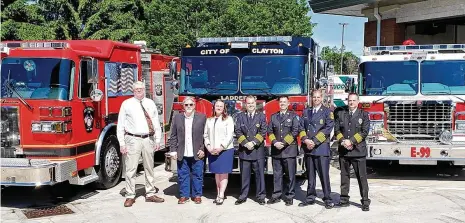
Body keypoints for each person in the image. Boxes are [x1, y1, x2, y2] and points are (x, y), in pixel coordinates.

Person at [116, 81, 164, 207]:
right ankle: (130, 195)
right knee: (131, 169)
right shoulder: (126, 104)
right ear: (133, 90)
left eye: (141, 89)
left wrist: (158, 140)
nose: (139, 91)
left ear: (144, 90)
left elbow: (155, 122)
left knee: (149, 167)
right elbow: (120, 124)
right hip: (132, 139)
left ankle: (150, 193)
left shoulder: (150, 103)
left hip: (148, 139)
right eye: (136, 89)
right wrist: (122, 143)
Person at [298, 89, 335, 209]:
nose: (316, 99)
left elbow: (328, 128)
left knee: (324, 175)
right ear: (311, 98)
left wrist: (314, 141)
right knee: (310, 176)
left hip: (321, 148)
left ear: (322, 98)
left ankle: (328, 199)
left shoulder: (327, 112)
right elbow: (301, 127)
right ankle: (310, 197)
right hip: (309, 148)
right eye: (314, 97)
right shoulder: (306, 111)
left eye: (318, 97)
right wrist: (305, 140)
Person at [334, 93, 371, 211]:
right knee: (344, 176)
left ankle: (365, 201)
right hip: (344, 151)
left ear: (358, 101)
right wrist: (342, 141)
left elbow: (364, 132)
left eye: (354, 100)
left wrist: (352, 141)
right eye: (350, 100)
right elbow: (336, 130)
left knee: (361, 177)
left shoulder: (364, 115)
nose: (351, 103)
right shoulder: (340, 114)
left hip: (358, 151)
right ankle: (344, 199)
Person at [169, 97, 207, 204]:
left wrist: (203, 149)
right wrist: (173, 150)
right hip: (182, 151)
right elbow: (173, 136)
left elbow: (206, 136)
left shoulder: (202, 117)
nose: (189, 107)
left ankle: (197, 195)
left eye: (191, 105)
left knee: (198, 175)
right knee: (182, 175)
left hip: (197, 152)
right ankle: (184, 195)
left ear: (194, 105)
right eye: (186, 105)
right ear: (183, 106)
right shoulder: (177, 118)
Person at [234, 96, 267, 205]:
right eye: (248, 103)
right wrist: (245, 143)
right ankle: (243, 196)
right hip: (245, 150)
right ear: (245, 104)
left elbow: (263, 132)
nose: (251, 105)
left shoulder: (261, 116)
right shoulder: (240, 116)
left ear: (255, 104)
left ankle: (261, 196)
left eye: (252, 103)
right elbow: (237, 131)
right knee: (244, 176)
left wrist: (253, 143)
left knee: (260, 176)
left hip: (257, 151)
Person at [267, 96, 300, 206]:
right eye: (281, 102)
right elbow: (269, 131)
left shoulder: (294, 116)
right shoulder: (273, 117)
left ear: (288, 103)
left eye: (284, 102)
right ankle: (276, 195)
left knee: (290, 175)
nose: (282, 104)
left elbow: (295, 131)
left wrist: (284, 143)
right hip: (276, 150)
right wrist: (275, 142)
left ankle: (290, 196)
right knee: (277, 175)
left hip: (289, 150)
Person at [203, 99, 235, 205]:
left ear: (224, 108)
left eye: (221, 106)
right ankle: (218, 193)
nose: (219, 108)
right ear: (214, 107)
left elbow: (230, 135)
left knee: (223, 173)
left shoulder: (228, 119)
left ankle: (221, 194)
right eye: (217, 106)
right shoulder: (209, 120)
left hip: (225, 150)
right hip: (212, 151)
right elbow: (205, 135)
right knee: (217, 173)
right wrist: (209, 147)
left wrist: (221, 148)